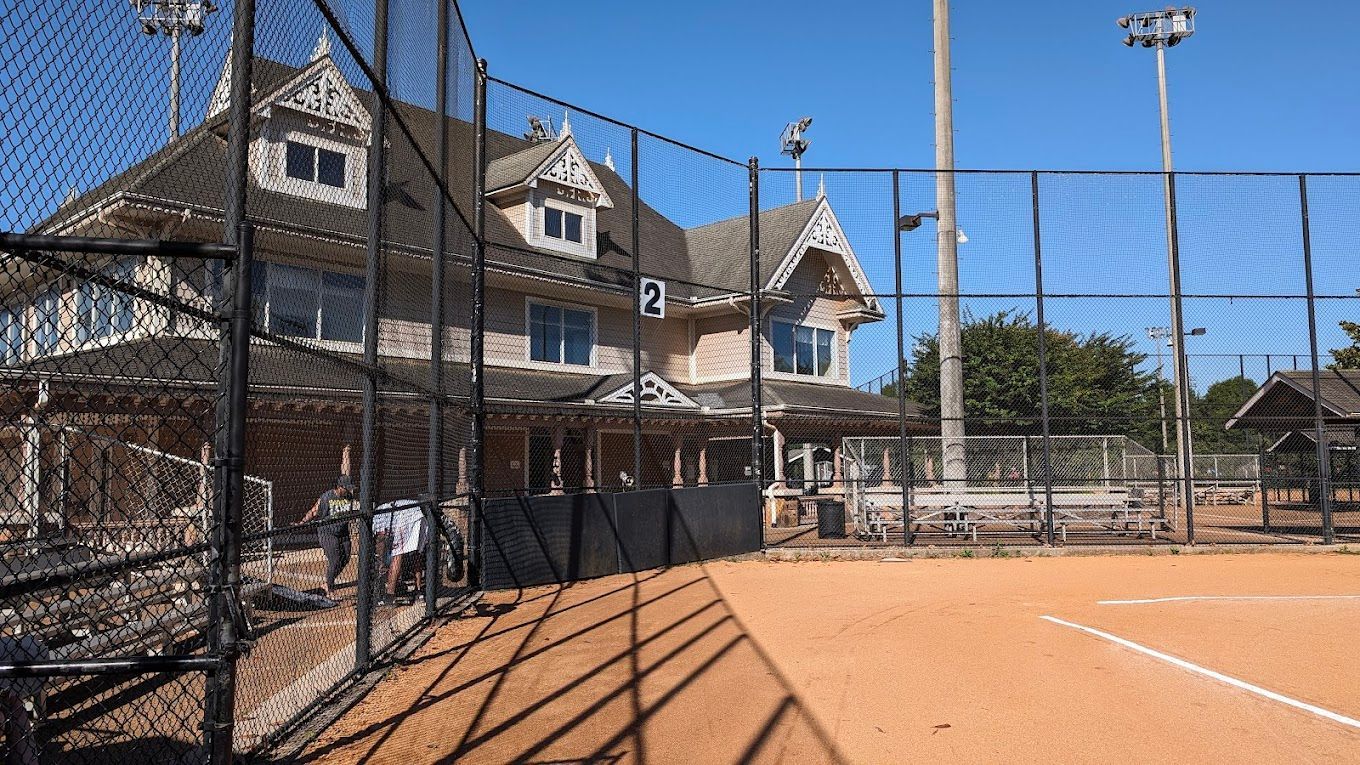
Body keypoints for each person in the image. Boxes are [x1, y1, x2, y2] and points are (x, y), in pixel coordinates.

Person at [301, 475, 355, 601]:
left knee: (346, 558)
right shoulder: (327, 497)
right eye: (346, 488)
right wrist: (302, 522)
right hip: (327, 532)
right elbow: (314, 511)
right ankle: (330, 590)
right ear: (339, 487)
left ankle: (327, 582)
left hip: (343, 531)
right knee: (335, 560)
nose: (349, 490)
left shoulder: (349, 497)